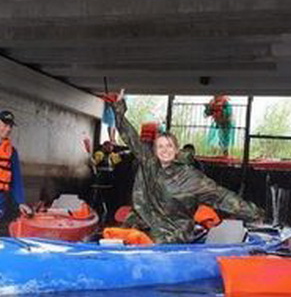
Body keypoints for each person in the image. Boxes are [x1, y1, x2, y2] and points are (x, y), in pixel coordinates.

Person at [111, 90, 263, 244]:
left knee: (155, 240)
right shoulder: (149, 163)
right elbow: (131, 138)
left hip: (171, 234)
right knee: (120, 234)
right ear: (154, 150)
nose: (164, 150)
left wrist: (255, 214)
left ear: (176, 150)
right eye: (160, 147)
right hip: (143, 225)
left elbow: (221, 196)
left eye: (169, 146)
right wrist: (118, 108)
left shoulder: (190, 177)